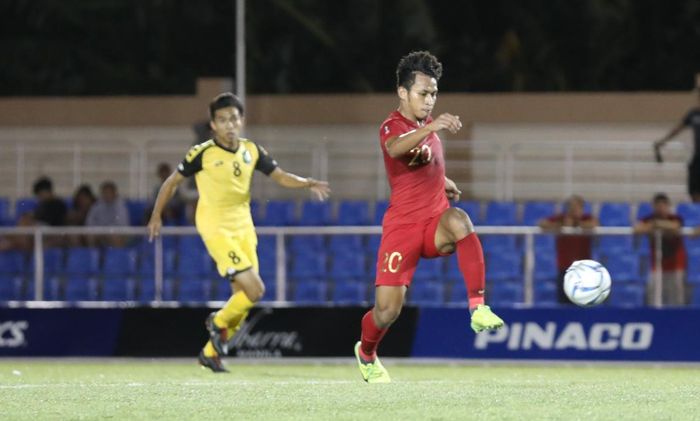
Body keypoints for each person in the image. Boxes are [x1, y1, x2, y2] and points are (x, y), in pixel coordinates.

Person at [147, 92, 330, 373]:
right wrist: (157, 214)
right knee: (256, 289)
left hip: (244, 227)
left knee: (242, 302)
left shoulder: (251, 150)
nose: (229, 125)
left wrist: (306, 182)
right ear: (213, 125)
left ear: (241, 121)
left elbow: (280, 176)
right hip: (215, 226)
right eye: (222, 120)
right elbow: (172, 183)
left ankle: (209, 354)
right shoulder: (203, 153)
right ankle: (217, 322)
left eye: (234, 119)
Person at [353, 51, 504, 384]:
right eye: (423, 93)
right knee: (387, 311)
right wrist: (433, 126)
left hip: (434, 222)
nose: (430, 100)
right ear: (403, 93)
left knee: (461, 221)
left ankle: (478, 306)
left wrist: (444, 182)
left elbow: (426, 164)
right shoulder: (393, 125)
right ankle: (366, 352)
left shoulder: (429, 131)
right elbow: (395, 149)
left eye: (434, 93)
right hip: (402, 227)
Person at [538, 195, 599, 304]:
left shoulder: (587, 218)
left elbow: (595, 224)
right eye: (573, 207)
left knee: (583, 303)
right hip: (565, 269)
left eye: (578, 207)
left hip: (583, 271)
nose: (575, 210)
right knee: (564, 303)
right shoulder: (561, 219)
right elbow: (542, 223)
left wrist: (577, 225)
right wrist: (561, 226)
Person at [634, 193, 687, 305]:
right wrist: (653, 224)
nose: (661, 209)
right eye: (658, 206)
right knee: (653, 298)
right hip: (656, 267)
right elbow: (637, 229)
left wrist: (657, 224)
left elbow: (676, 226)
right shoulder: (649, 219)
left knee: (676, 300)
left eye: (663, 206)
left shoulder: (675, 218)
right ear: (654, 207)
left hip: (675, 266)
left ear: (668, 206)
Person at [654, 85, 700, 202]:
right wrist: (663, 141)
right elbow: (677, 129)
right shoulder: (693, 114)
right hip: (697, 157)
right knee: (694, 190)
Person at [86, 181, 130, 247]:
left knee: (114, 237)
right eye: (105, 193)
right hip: (100, 232)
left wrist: (108, 232)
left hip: (116, 234)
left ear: (114, 193)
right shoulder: (97, 205)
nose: (107, 195)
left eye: (109, 192)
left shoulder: (120, 206)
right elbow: (89, 222)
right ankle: (92, 256)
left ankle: (117, 256)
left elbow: (122, 225)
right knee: (90, 237)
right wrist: (100, 231)